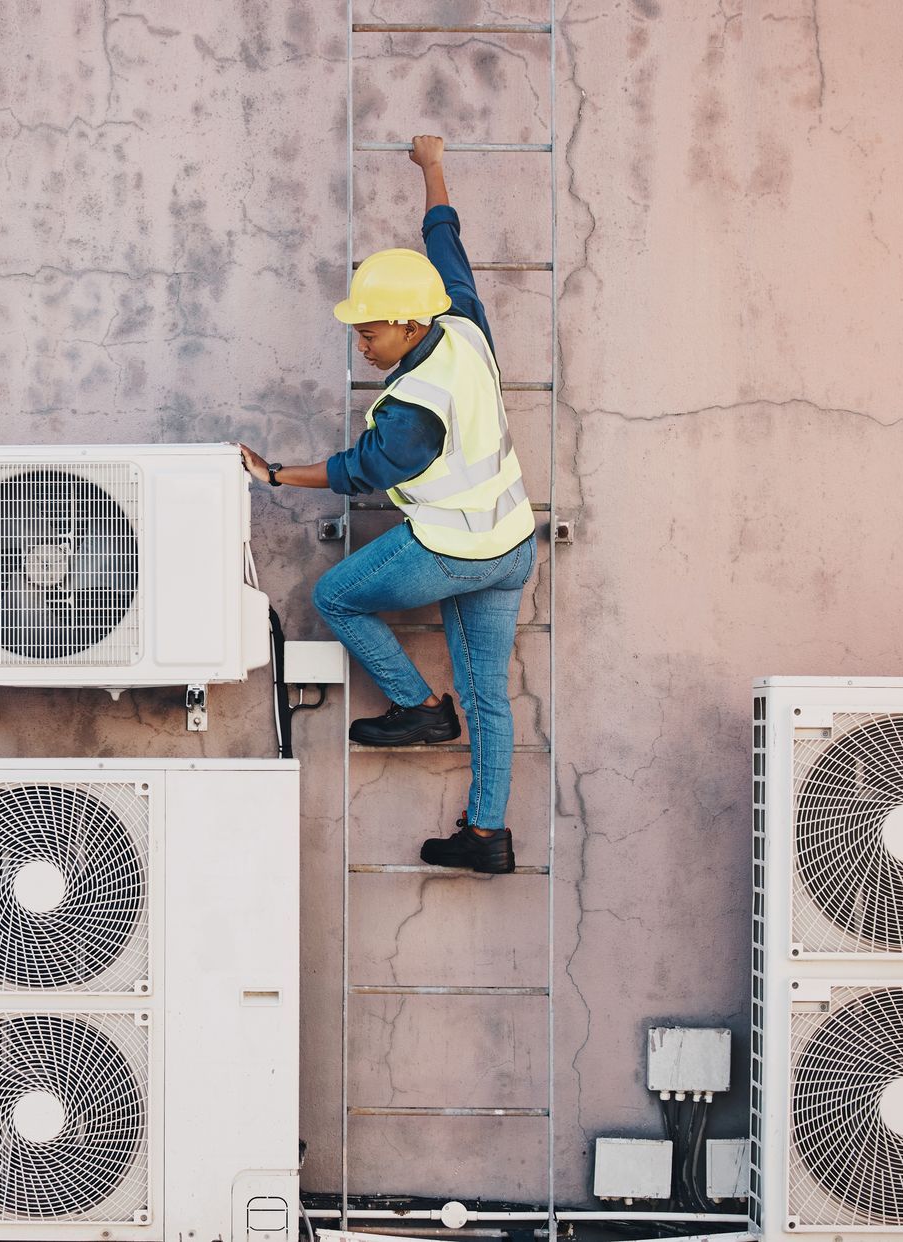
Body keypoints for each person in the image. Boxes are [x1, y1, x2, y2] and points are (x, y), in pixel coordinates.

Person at [240, 135, 536, 875]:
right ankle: (486, 835)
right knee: (490, 700)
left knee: (334, 595)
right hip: (512, 543)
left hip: (455, 550)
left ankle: (417, 710)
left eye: (369, 332)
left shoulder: (413, 407)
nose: (361, 345)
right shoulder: (461, 318)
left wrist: (274, 474)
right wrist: (432, 166)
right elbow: (445, 236)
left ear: (407, 324)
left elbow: (359, 470)